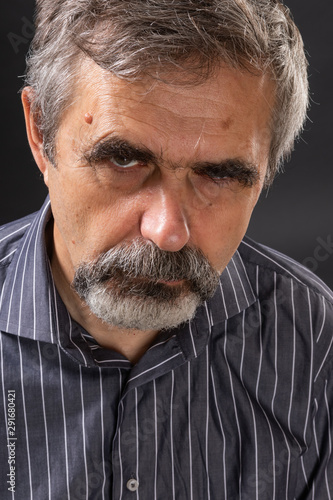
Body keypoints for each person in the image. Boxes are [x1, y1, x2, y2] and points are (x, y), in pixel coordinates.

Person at [0, 0, 332, 498]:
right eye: (124, 158)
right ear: (39, 133)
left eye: (219, 174)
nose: (167, 232)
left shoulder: (317, 341)